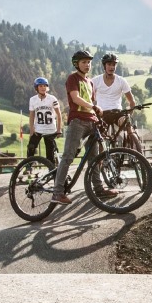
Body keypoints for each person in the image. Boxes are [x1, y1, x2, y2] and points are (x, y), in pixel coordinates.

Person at [51, 51, 100, 205]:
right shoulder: (73, 78)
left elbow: (92, 102)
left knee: (94, 158)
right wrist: (93, 106)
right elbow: (75, 98)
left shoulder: (90, 82)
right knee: (68, 156)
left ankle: (98, 188)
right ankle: (57, 193)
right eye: (84, 62)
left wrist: (97, 116)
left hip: (91, 122)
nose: (87, 65)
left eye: (89, 62)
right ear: (76, 64)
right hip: (77, 121)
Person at [92, 54, 138, 142]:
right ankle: (102, 155)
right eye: (109, 64)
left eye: (114, 65)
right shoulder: (95, 81)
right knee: (100, 137)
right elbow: (89, 99)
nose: (111, 67)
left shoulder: (121, 81)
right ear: (104, 66)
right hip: (102, 113)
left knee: (127, 124)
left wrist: (129, 115)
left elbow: (132, 101)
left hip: (117, 113)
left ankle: (134, 146)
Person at [27, 76, 63, 161]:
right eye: (40, 86)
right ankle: (29, 166)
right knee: (31, 147)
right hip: (38, 129)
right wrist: (32, 129)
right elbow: (32, 115)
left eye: (45, 86)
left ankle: (51, 170)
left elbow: (59, 114)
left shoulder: (52, 99)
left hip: (50, 130)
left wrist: (59, 129)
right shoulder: (32, 100)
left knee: (50, 153)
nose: (43, 88)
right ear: (36, 88)